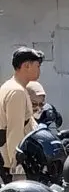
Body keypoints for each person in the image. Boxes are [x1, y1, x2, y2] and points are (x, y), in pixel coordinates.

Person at [1, 47, 42, 178]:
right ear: (26, 66)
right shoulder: (17, 91)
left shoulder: (12, 86)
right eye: (37, 66)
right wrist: (18, 168)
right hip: (12, 163)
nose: (39, 70)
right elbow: (14, 132)